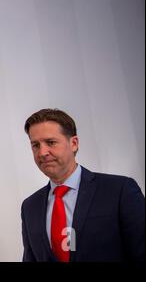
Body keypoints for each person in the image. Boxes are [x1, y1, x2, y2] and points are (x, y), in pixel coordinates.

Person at [21, 108, 145, 262]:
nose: (42, 152)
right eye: (35, 145)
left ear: (73, 143)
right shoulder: (29, 207)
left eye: (50, 142)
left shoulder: (120, 190)